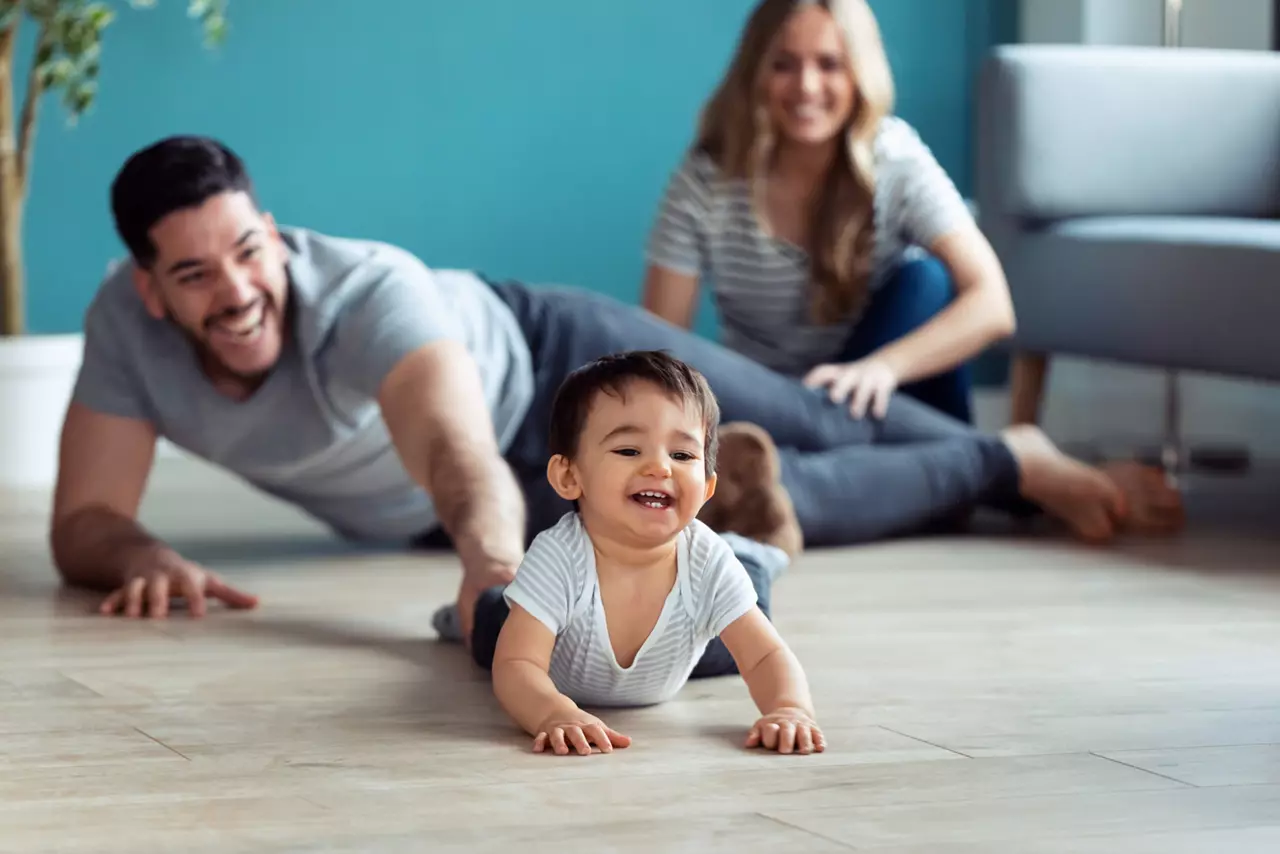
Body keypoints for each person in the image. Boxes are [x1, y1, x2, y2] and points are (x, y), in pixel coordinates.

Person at [51, 135, 1182, 643]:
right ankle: (1005, 464)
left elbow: (454, 454)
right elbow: (83, 523)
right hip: (491, 490)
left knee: (811, 417)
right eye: (195, 273)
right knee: (725, 508)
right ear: (151, 289)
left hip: (547, 362)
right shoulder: (124, 330)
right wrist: (139, 553)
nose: (239, 289)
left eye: (251, 249)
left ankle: (1018, 460)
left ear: (274, 232)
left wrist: (493, 572)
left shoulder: (367, 293)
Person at [643, 0, 1010, 425]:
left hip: (874, 390)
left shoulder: (894, 159)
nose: (807, 86)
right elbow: (659, 340)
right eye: (784, 64)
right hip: (770, 401)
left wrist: (882, 368)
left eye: (830, 64)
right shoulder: (708, 177)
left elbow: (994, 306)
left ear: (860, 72)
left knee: (925, 280)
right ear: (755, 72)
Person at [479, 350, 823, 756]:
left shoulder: (705, 559)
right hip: (545, 633)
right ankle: (476, 601)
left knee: (744, 621)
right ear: (570, 476)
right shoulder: (559, 556)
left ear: (707, 487)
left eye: (682, 455)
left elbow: (766, 654)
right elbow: (518, 666)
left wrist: (790, 708)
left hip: (674, 654)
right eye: (629, 450)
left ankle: (760, 548)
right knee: (489, 624)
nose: (660, 468)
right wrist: (553, 712)